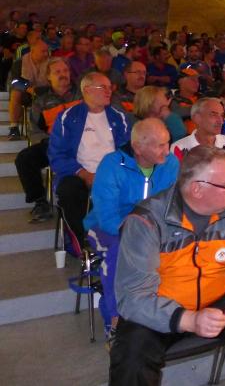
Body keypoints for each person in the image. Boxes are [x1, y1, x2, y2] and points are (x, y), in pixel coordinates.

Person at [110, 146, 225, 385]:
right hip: (163, 309)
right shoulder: (146, 221)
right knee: (132, 353)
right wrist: (189, 319)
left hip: (217, 300)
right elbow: (133, 297)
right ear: (197, 189)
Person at [83, 118, 179, 341]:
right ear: (138, 147)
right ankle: (115, 319)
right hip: (108, 227)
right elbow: (107, 215)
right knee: (119, 251)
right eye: (160, 145)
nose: (167, 150)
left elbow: (173, 204)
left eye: (167, 143)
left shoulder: (171, 163)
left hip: (152, 226)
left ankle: (169, 309)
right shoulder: (111, 165)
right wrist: (136, 231)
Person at [48, 72, 130, 251]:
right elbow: (57, 155)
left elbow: (127, 152)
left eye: (110, 87)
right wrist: (83, 174)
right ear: (87, 90)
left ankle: (122, 242)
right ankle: (83, 243)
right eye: (103, 87)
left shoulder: (119, 117)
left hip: (113, 174)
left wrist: (112, 173)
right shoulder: (67, 117)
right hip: (78, 174)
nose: (109, 91)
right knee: (69, 190)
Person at [15, 58, 81, 222]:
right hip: (54, 145)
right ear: (48, 77)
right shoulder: (41, 101)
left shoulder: (82, 94)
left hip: (83, 144)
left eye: (65, 71)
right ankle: (40, 202)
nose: (63, 74)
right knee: (24, 158)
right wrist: (51, 143)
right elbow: (36, 131)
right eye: (57, 72)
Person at [170, 97, 225, 174]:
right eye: (214, 115)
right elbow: (176, 179)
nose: (221, 121)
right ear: (197, 118)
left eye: (222, 115)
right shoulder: (179, 148)